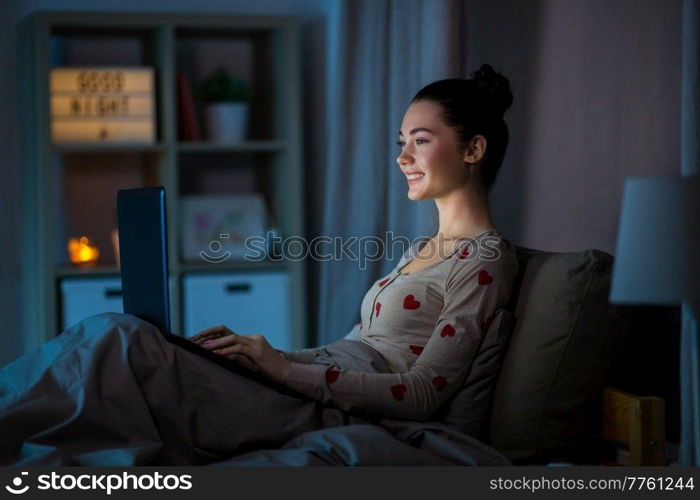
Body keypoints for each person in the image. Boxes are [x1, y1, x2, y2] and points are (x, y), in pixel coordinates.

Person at [0, 64, 518, 465]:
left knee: (120, 339)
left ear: (473, 148)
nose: (403, 156)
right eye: (401, 142)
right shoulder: (420, 250)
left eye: (420, 141)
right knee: (131, 341)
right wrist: (258, 357)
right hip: (301, 385)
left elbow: (423, 392)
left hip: (329, 410)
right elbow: (354, 347)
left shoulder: (485, 259)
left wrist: (284, 371)